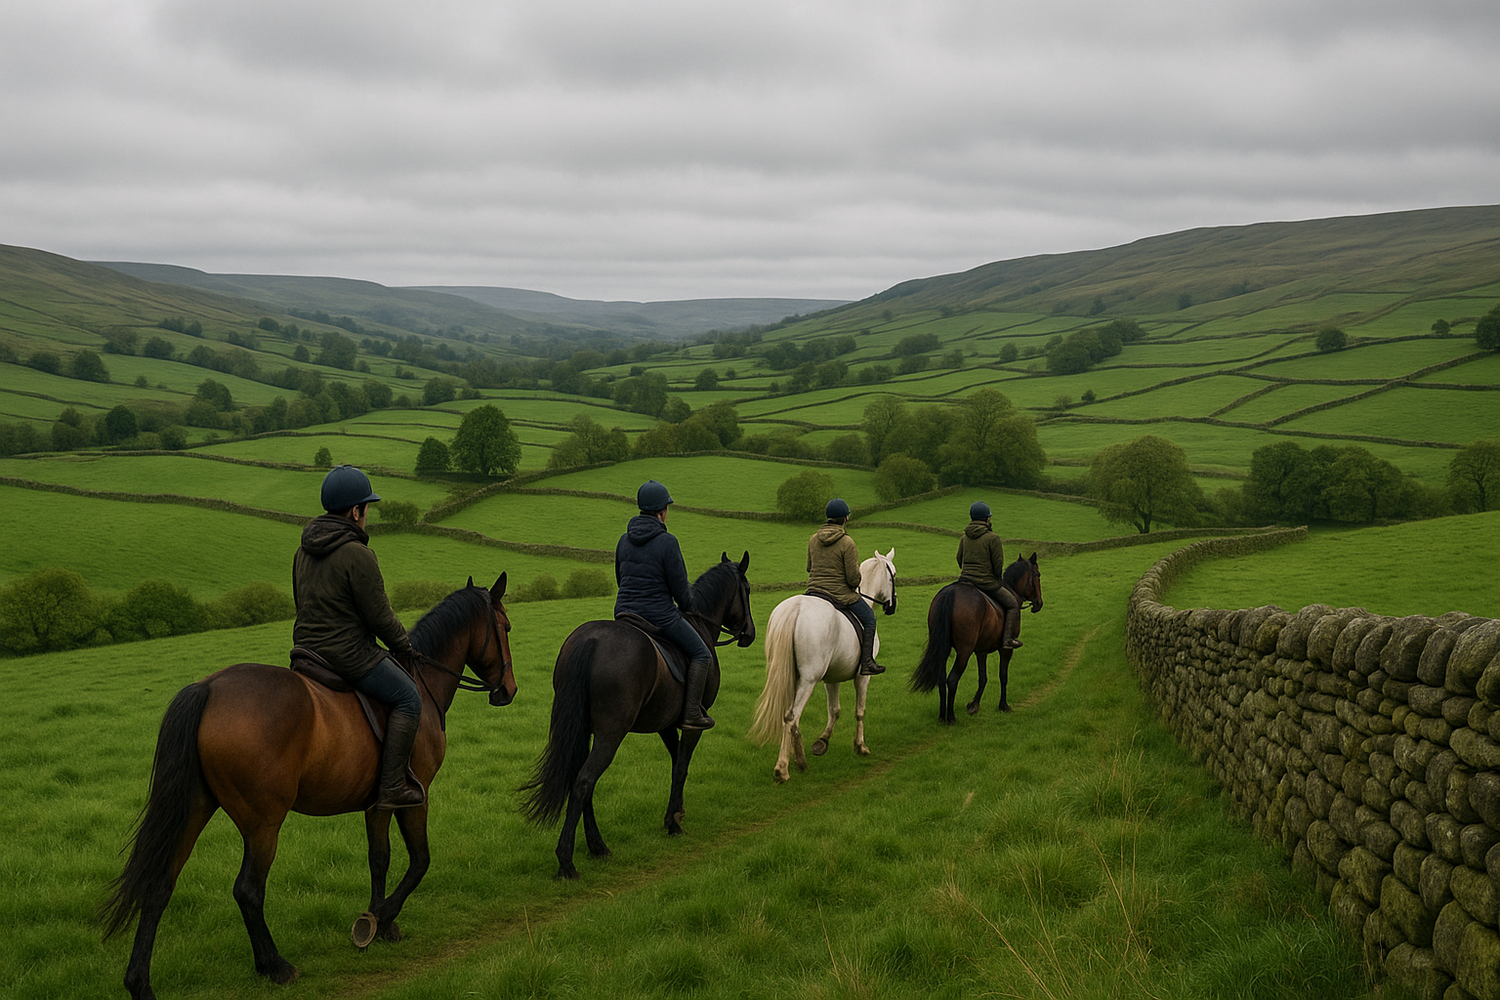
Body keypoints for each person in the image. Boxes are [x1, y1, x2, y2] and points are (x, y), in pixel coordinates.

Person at [293, 465, 425, 810]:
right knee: (409, 697)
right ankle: (393, 786)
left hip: (305, 652)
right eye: (366, 508)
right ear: (355, 511)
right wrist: (405, 648)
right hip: (348, 655)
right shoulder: (358, 554)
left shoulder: (302, 552)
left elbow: (301, 603)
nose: (367, 515)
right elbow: (380, 617)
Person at [614, 480, 716, 730]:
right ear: (662, 512)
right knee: (702, 654)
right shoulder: (668, 542)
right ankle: (691, 713)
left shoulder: (623, 540)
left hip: (624, 613)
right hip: (659, 616)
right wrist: (691, 608)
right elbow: (681, 592)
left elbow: (620, 579)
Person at [807, 498, 884, 675]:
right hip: (839, 594)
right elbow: (853, 580)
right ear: (845, 519)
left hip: (813, 592)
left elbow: (809, 568)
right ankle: (867, 663)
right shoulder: (847, 542)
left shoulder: (813, 539)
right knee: (870, 618)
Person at [956, 500, 1022, 649]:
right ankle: (1007, 640)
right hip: (986, 583)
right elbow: (998, 564)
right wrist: (997, 579)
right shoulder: (993, 538)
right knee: (1012, 604)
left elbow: (959, 559)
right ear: (987, 518)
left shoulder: (964, 538)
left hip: (965, 580)